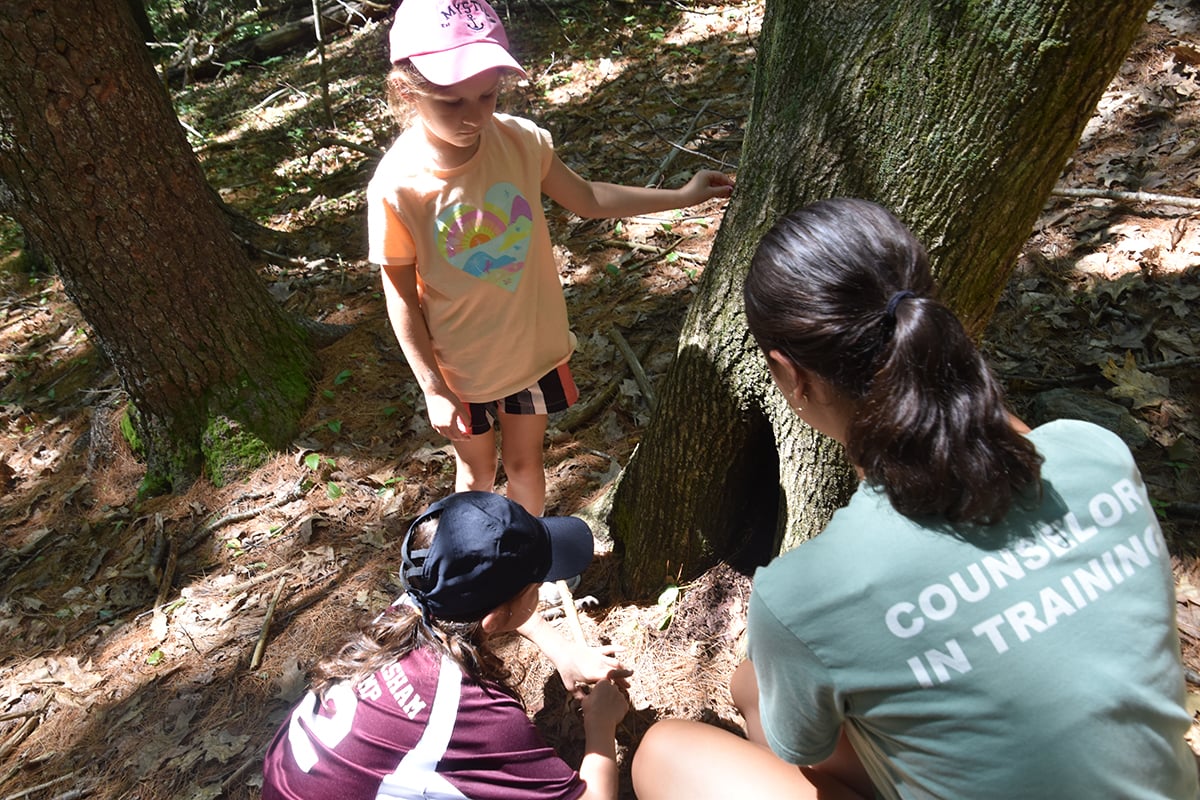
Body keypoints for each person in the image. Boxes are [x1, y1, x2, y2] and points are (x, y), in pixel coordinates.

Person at [631, 199, 1199, 799]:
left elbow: (802, 751)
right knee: (754, 686)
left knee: (667, 752)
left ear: (790, 374)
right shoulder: (1096, 452)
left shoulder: (804, 596)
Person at [369, 0, 735, 516]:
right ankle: (475, 576)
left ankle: (526, 573)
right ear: (407, 91)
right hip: (461, 369)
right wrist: (433, 386)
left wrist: (682, 196)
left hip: (533, 349)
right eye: (452, 103)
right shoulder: (399, 184)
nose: (475, 116)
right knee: (475, 471)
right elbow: (400, 292)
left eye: (488, 95)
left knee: (524, 464)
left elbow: (587, 198)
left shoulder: (519, 141)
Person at [262, 491, 631, 800]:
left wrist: (562, 651)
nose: (536, 594)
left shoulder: (415, 604)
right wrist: (600, 727)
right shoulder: (473, 714)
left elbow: (497, 610)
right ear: (495, 619)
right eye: (534, 589)